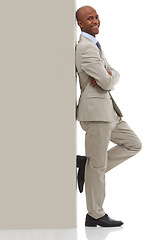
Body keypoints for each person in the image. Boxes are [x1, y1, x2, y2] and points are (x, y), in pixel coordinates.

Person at [75, 5, 142, 227]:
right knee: (98, 166)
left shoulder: (95, 46)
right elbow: (107, 81)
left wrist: (109, 75)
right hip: (95, 114)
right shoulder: (85, 48)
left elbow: (113, 76)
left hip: (108, 112)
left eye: (96, 16)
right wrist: (108, 76)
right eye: (89, 18)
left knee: (133, 144)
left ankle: (89, 166)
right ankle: (94, 215)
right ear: (80, 24)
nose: (95, 20)